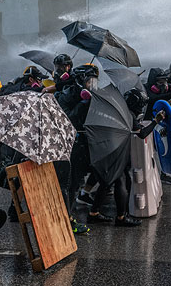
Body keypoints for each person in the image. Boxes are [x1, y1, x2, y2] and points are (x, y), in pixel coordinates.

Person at [86, 89, 165, 227]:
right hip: (116, 154)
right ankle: (121, 217)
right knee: (122, 182)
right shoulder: (128, 116)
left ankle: (93, 213)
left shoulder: (118, 111)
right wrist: (156, 121)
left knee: (106, 183)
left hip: (105, 150)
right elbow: (142, 133)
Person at [55, 64, 101, 234]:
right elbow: (67, 120)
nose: (93, 85)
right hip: (68, 147)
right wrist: (83, 103)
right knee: (70, 184)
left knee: (78, 181)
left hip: (83, 146)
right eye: (90, 81)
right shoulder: (67, 96)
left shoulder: (89, 95)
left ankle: (68, 216)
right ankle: (67, 220)